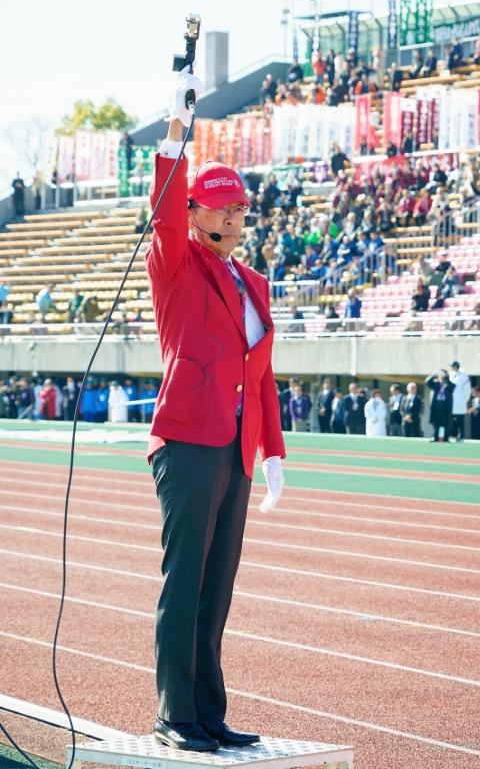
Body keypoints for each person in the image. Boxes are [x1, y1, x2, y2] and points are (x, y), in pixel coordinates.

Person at [146, 67, 286, 753]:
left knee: (217, 589)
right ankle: (175, 714)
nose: (233, 214)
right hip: (188, 440)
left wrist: (274, 453)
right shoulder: (174, 260)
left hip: (235, 446)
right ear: (195, 212)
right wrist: (177, 129)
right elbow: (164, 207)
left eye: (240, 206)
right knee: (185, 584)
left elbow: (261, 374)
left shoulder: (252, 280)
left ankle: (208, 711)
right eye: (219, 204)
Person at [426, 371, 454, 442]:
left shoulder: (449, 385)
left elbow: (453, 387)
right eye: (440, 377)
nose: (442, 378)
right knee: (436, 423)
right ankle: (435, 437)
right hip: (436, 406)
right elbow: (427, 382)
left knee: (446, 423)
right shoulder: (435, 384)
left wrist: (446, 378)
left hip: (445, 407)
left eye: (443, 377)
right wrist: (434, 374)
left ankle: (446, 438)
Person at [449, 360, 471, 442]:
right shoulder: (451, 374)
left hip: (460, 402)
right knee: (452, 420)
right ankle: (452, 434)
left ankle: (461, 436)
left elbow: (467, 390)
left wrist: (464, 400)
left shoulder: (464, 375)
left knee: (460, 420)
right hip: (452, 402)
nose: (451, 368)